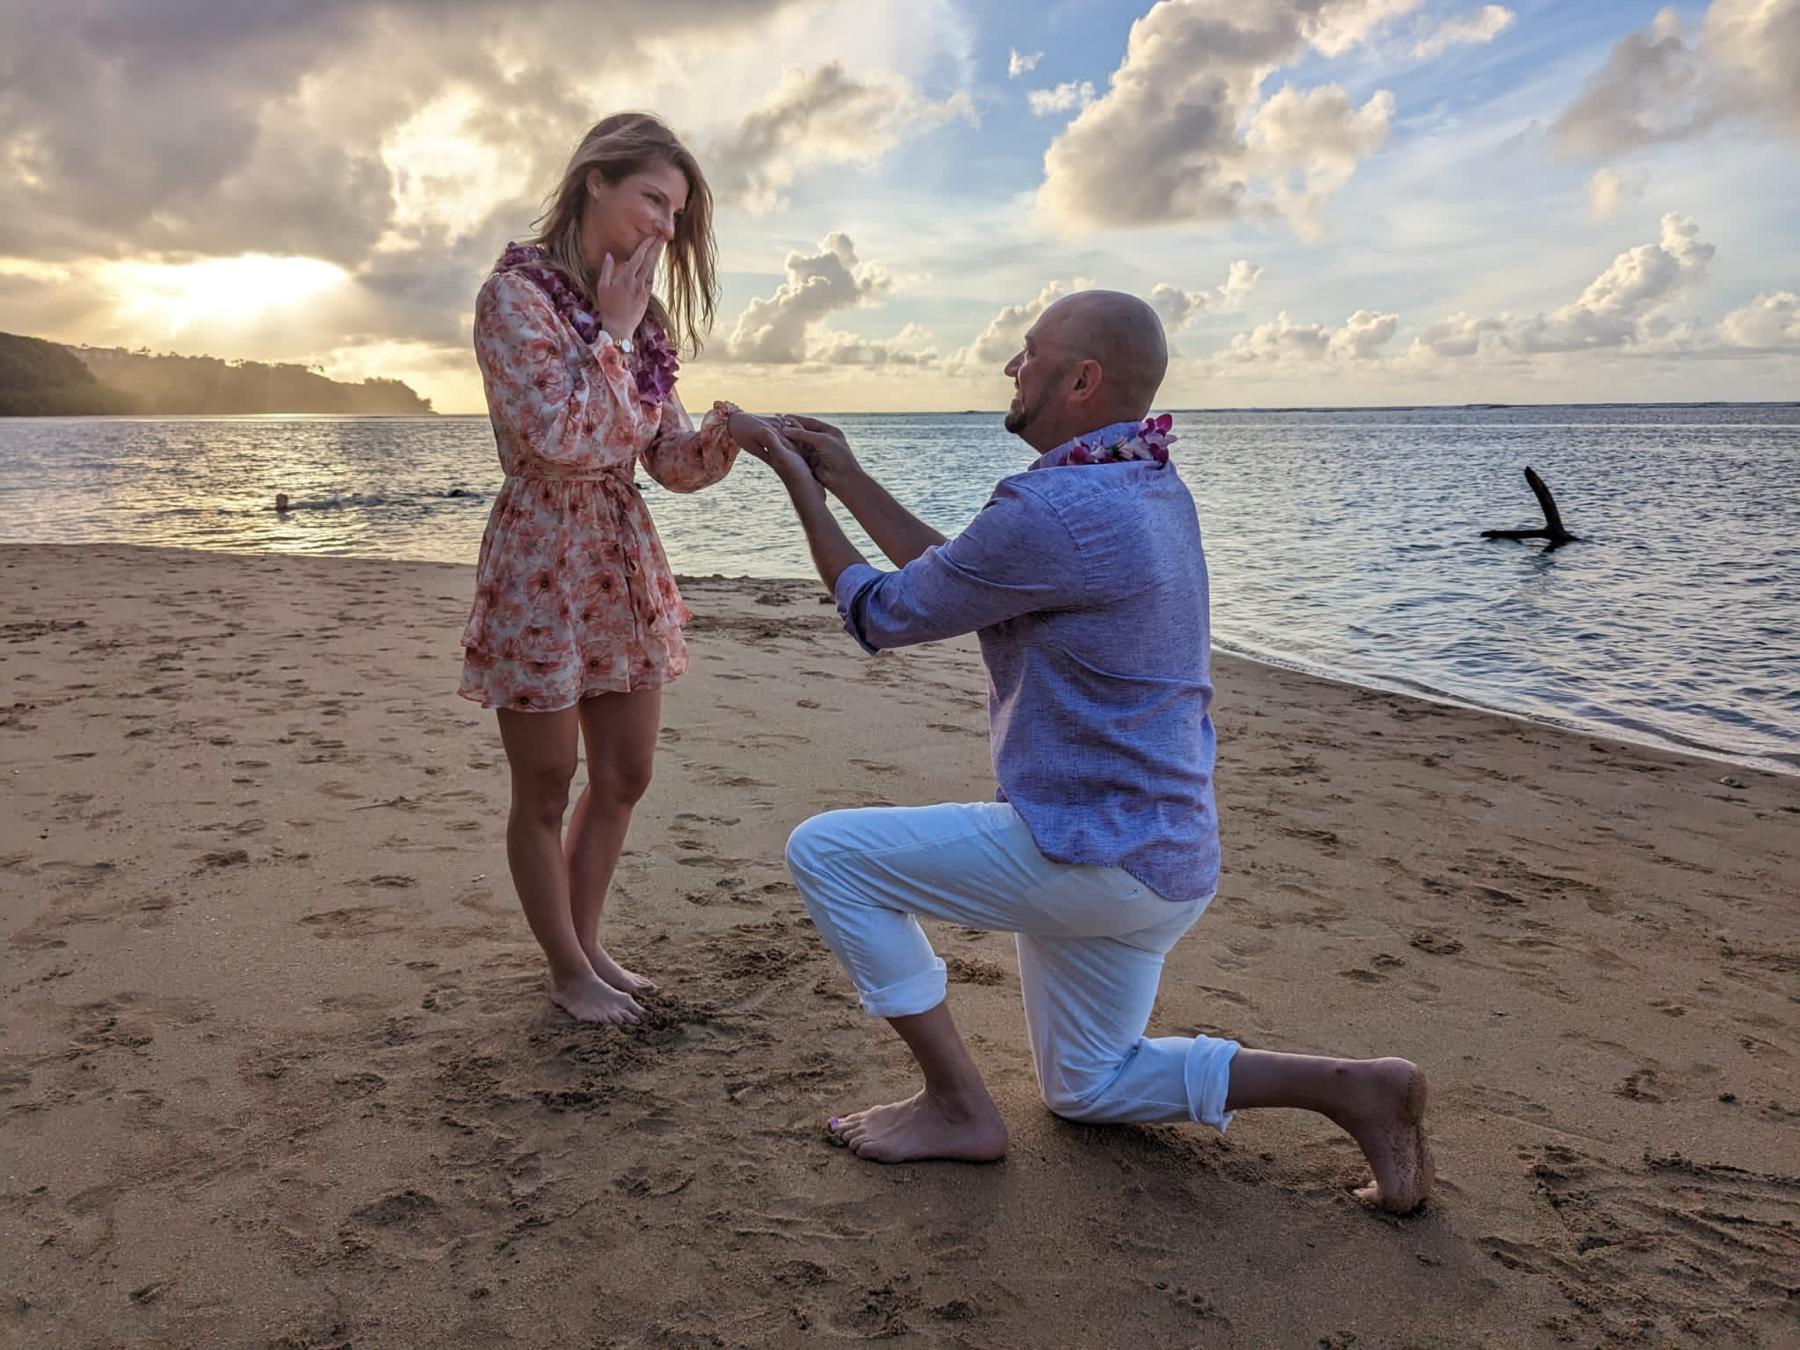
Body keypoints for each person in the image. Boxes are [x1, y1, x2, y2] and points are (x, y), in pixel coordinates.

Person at [746, 290, 1434, 1213]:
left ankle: (956, 1106)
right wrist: (847, 476)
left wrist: (796, 481)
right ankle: (1355, 1088)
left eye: (1028, 353)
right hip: (1168, 859)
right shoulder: (1144, 483)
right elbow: (971, 575)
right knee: (1088, 1087)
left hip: (1091, 854)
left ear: (1081, 379)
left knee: (828, 855)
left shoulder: (1055, 509)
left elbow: (885, 611)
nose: (1011, 367)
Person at [460, 112, 796, 1026]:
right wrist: (610, 330)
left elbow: (669, 460)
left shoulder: (642, 326)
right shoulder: (514, 298)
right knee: (544, 785)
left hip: (617, 557)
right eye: (654, 198)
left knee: (626, 774)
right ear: (594, 182)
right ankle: (566, 971)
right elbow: (558, 436)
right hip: (540, 559)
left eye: (678, 212)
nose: (665, 225)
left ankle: (589, 941)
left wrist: (736, 434)